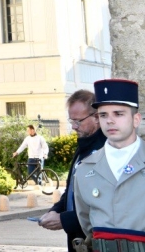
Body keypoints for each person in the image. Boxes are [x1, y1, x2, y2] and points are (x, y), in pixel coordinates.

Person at [74, 79, 145, 250]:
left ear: (136, 119)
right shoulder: (85, 169)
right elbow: (86, 224)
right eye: (103, 115)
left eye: (118, 114)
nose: (110, 121)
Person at [38, 89, 106, 250]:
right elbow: (71, 191)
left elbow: (106, 207)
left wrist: (65, 220)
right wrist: (54, 211)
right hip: (77, 239)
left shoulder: (106, 149)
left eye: (78, 121)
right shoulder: (83, 145)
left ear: (96, 117)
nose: (74, 127)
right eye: (71, 121)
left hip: (96, 242)